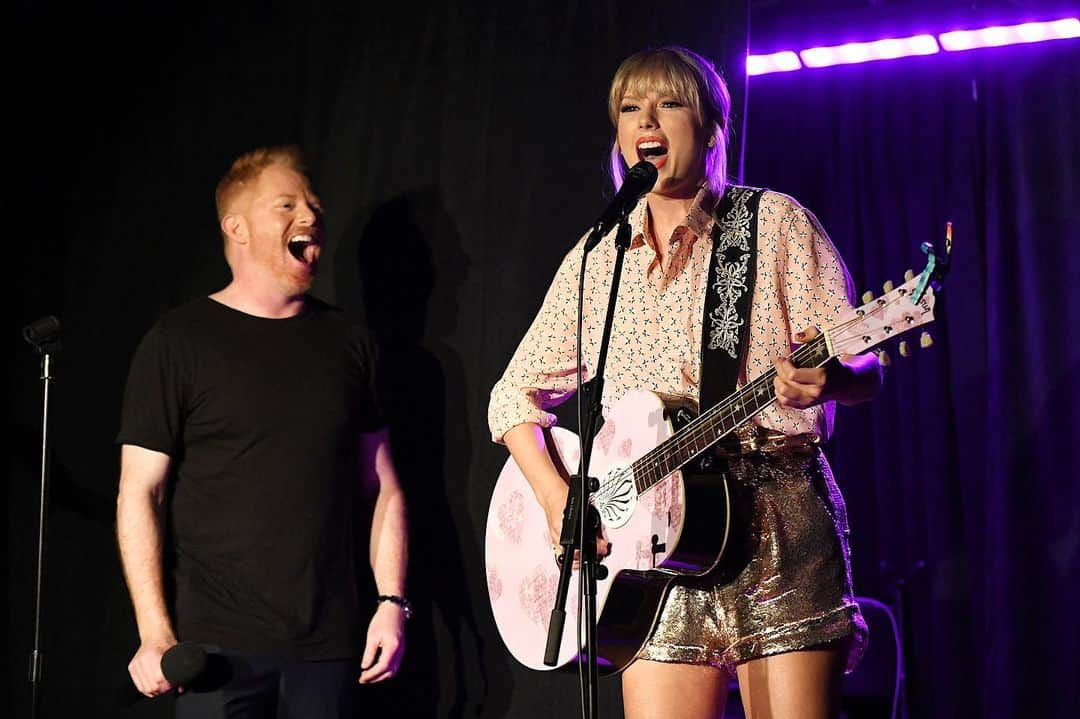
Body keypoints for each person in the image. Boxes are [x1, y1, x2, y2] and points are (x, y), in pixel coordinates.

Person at [488, 46, 882, 718]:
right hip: (653, 559)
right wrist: (559, 498)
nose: (649, 119)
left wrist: (832, 379)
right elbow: (511, 395)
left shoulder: (774, 224)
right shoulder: (599, 255)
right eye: (631, 107)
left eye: (669, 103)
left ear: (709, 127)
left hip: (776, 526)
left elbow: (862, 366)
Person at [116, 145, 409, 718]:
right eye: (287, 205)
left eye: (314, 204)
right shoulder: (178, 342)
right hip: (215, 649)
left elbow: (384, 488)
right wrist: (155, 633)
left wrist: (392, 602)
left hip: (327, 649)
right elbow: (139, 491)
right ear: (238, 227)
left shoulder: (349, 344)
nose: (310, 216)